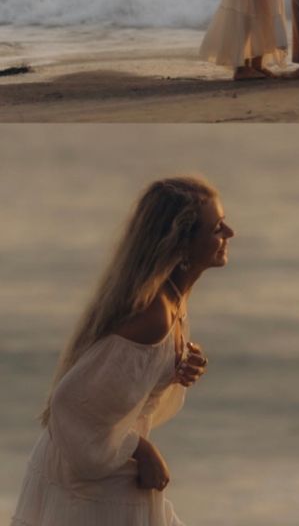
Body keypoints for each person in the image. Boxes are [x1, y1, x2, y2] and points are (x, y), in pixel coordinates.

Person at [12, 175, 234, 526]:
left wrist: (174, 366)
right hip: (88, 483)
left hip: (97, 471)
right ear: (182, 244)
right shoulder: (153, 316)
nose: (230, 234)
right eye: (217, 227)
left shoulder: (170, 300)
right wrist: (141, 449)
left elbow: (121, 389)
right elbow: (69, 404)